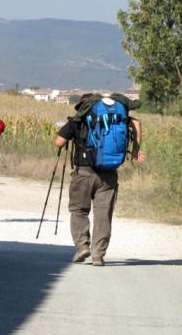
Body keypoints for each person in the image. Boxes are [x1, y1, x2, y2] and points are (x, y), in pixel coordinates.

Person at [55, 93, 146, 266]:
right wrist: (136, 148)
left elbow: (59, 142)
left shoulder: (78, 119)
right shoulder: (115, 117)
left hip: (84, 172)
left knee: (79, 210)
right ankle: (98, 255)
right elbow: (136, 122)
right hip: (109, 174)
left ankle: (82, 246)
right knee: (103, 214)